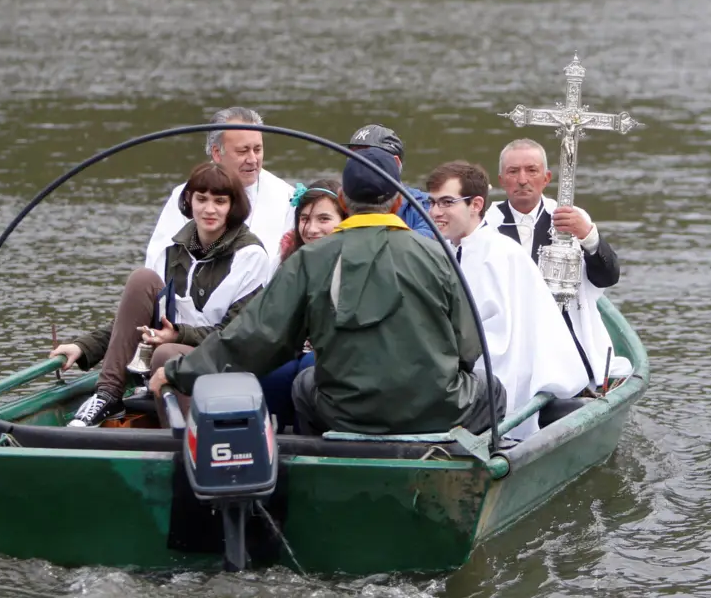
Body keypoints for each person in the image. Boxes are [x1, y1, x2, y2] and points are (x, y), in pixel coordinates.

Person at [150, 147, 505, 437]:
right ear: (398, 202)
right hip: (437, 412)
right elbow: (468, 349)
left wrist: (180, 371)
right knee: (494, 389)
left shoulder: (309, 259)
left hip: (347, 414)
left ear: (343, 201)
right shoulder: (437, 255)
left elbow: (254, 339)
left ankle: (319, 471)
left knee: (305, 384)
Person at [51, 163, 272, 427]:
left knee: (165, 354)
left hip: (224, 359)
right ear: (189, 201)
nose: (209, 209)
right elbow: (132, 322)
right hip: (176, 348)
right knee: (141, 279)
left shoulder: (251, 256)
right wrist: (83, 346)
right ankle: (108, 395)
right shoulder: (168, 250)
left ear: (232, 206)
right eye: (201, 199)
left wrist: (178, 335)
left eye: (220, 201)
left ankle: (189, 437)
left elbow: (234, 336)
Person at [427, 161, 588, 439]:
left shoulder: (499, 255)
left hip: (503, 381)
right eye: (432, 203)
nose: (434, 212)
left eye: (446, 202)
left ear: (476, 205)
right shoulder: (452, 252)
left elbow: (504, 343)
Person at [482, 138, 632, 387]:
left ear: (546, 177)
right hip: (508, 336)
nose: (522, 179)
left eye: (531, 170)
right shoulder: (487, 224)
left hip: (564, 330)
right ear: (501, 180)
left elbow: (607, 277)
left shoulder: (570, 218)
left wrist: (589, 236)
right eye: (513, 171)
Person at [145, 107, 294, 272]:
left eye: (257, 150)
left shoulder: (287, 197)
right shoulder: (187, 194)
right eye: (242, 151)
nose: (252, 159)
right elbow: (157, 262)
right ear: (216, 152)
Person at [259, 178, 343, 427]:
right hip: (296, 344)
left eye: (323, 219)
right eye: (305, 219)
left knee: (310, 367)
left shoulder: (352, 259)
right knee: (275, 369)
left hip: (338, 348)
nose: (312, 228)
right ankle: (274, 435)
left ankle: (308, 435)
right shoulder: (287, 261)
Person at [345, 123, 435, 239]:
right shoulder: (335, 204)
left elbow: (428, 240)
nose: (357, 165)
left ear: (395, 164)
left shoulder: (428, 206)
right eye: (352, 157)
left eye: (367, 158)